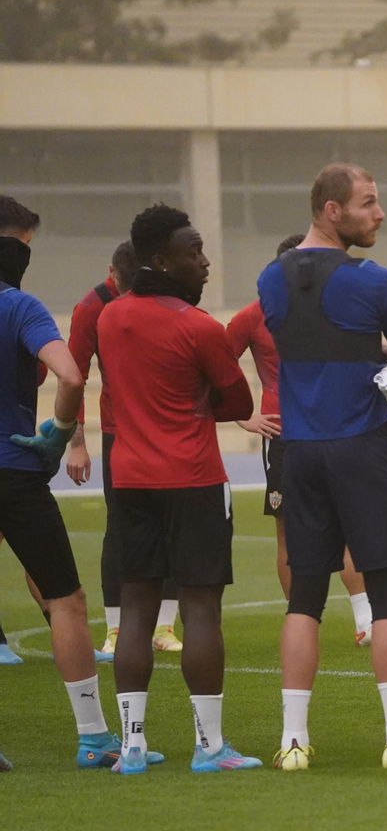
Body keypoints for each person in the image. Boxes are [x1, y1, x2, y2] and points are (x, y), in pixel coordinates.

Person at [260, 163, 387, 770]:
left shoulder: (268, 279)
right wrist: (384, 357)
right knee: (386, 592)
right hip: (362, 445)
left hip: (299, 450)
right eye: (368, 203)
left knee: (304, 596)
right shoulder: (373, 279)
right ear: (332, 210)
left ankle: (292, 743)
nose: (379, 213)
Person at [97, 203, 261, 773]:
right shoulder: (198, 327)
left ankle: (133, 746)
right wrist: (196, 404)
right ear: (162, 261)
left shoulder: (110, 318)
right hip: (191, 478)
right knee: (200, 610)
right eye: (193, 251)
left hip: (130, 477)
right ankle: (209, 747)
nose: (205, 261)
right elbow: (240, 404)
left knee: (137, 609)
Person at [1, 195, 161, 770]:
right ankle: (94, 738)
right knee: (65, 603)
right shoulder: (19, 307)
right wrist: (63, 431)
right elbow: (70, 372)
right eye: (20, 246)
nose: (24, 259)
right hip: (15, 471)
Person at [227, 233, 373, 646]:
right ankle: (303, 622)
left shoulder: (338, 307)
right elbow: (216, 362)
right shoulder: (255, 315)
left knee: (346, 523)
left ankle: (366, 619)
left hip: (335, 429)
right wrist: (243, 415)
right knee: (289, 532)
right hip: (286, 434)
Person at [65, 241, 185, 659]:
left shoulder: (162, 298)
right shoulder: (91, 309)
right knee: (121, 527)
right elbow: (72, 375)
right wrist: (76, 444)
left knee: (173, 522)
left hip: (167, 429)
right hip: (121, 431)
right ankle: (116, 631)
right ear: (109, 272)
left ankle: (163, 627)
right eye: (121, 282)